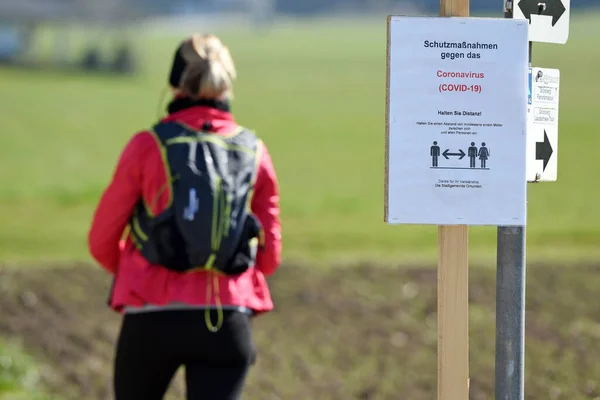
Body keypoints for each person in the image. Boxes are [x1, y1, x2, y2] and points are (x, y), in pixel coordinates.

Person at [87, 33, 282, 400]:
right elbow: (270, 257)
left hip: (151, 315)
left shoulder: (147, 145)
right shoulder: (255, 151)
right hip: (227, 318)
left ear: (175, 83)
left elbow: (101, 242)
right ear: (226, 82)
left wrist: (138, 272)